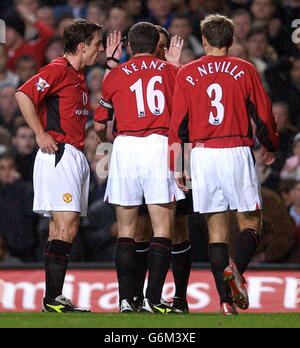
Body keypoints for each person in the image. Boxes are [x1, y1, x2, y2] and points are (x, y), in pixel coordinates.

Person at [169, 14, 279, 315]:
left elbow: (177, 124)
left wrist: (177, 165)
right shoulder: (245, 69)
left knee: (217, 232)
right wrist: (270, 147)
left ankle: (225, 302)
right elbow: (263, 114)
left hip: (203, 155)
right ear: (231, 41)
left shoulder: (187, 73)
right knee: (250, 223)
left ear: (204, 40)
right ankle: (237, 272)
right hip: (235, 150)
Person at [94, 22, 185, 314]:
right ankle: (153, 299)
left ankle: (125, 300)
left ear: (130, 47)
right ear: (157, 44)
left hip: (125, 148)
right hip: (160, 145)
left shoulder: (114, 74)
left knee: (126, 231)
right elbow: (184, 118)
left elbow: (100, 124)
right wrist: (176, 65)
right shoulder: (172, 72)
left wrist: (104, 141)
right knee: (162, 229)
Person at [15, 18, 104, 313]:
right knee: (66, 226)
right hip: (59, 153)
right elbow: (24, 94)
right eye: (97, 44)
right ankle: (52, 299)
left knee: (63, 227)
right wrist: (40, 133)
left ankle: (53, 297)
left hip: (73, 155)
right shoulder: (56, 69)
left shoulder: (77, 76)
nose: (100, 50)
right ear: (81, 47)